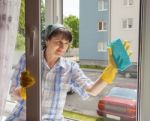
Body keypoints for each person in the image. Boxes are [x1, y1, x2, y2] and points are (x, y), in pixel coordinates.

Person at [6, 24, 125, 121]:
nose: (63, 46)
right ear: (47, 41)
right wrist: (22, 90)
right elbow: (13, 94)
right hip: (22, 117)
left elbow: (92, 90)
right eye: (58, 41)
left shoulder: (70, 67)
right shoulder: (28, 59)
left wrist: (110, 70)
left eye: (66, 43)